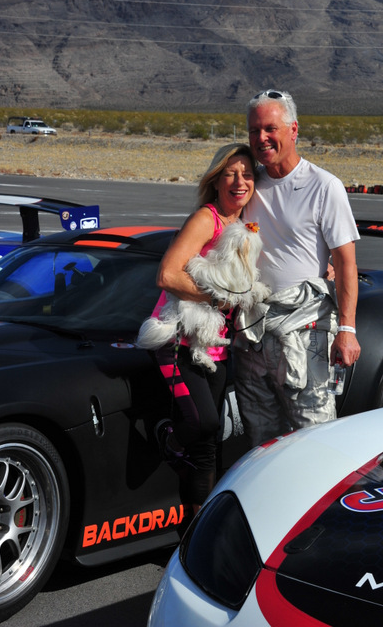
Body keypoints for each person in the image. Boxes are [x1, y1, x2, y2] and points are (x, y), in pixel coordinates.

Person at [233, 89, 361, 448]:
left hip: (305, 334)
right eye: (254, 130)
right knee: (260, 443)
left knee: (313, 438)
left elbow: (346, 263)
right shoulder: (247, 185)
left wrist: (347, 329)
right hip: (253, 336)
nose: (261, 138)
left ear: (293, 130)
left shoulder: (324, 186)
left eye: (270, 128)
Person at [153, 143, 257, 529]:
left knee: (208, 447)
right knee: (205, 425)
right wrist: (219, 297)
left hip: (216, 346)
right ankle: (168, 439)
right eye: (230, 173)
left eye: (247, 174)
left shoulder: (246, 226)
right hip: (177, 341)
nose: (239, 181)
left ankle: (195, 530)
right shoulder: (206, 219)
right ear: (216, 181)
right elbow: (167, 275)